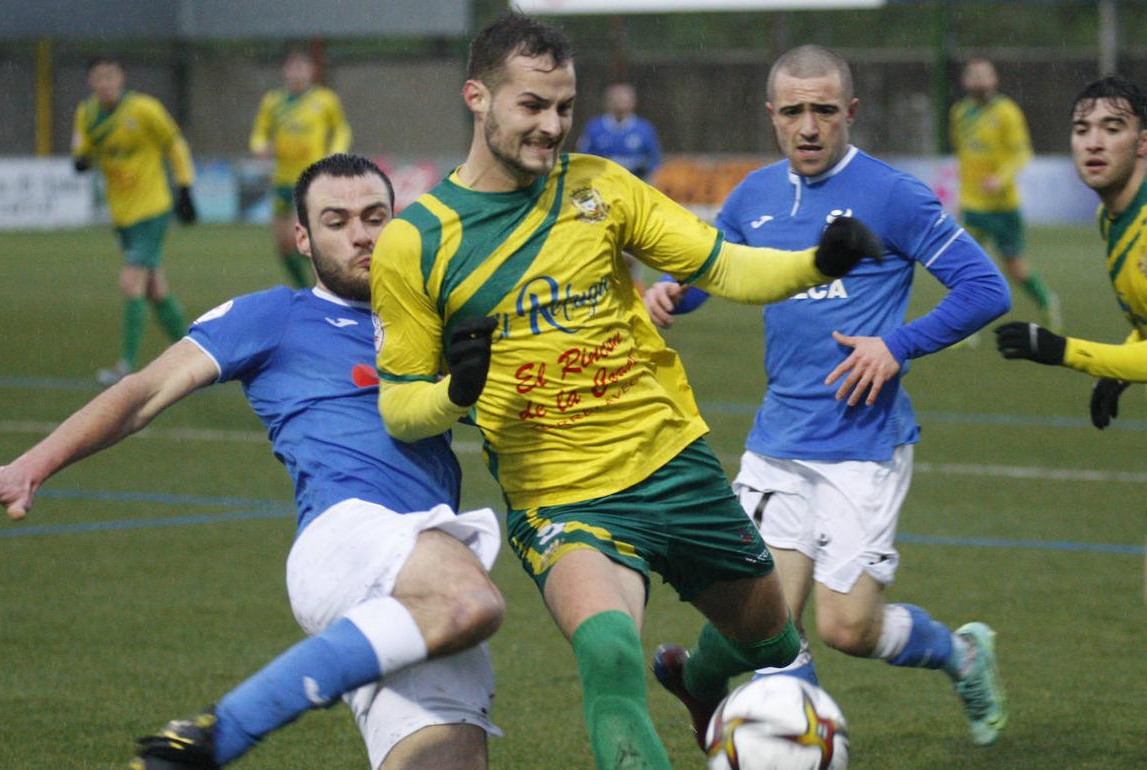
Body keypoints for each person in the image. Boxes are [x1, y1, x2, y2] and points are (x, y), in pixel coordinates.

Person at [369, 14, 880, 769]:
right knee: (607, 651)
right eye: (532, 106)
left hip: (672, 463)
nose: (552, 127)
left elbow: (722, 266)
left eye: (563, 108)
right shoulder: (417, 240)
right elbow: (400, 406)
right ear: (477, 98)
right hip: (561, 495)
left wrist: (817, 263)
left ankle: (699, 678)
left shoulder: (601, 189)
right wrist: (456, 391)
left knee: (768, 641)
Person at [0, 155, 505, 770]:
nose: (361, 235)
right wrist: (29, 467)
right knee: (472, 603)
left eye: (375, 217)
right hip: (351, 535)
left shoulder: (432, 321)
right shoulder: (275, 316)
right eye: (336, 221)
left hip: (423, 563)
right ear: (303, 239)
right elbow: (142, 393)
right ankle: (221, 731)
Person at [644, 45, 1011, 748]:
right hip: (779, 439)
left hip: (863, 444)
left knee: (848, 628)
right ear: (772, 117)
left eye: (822, 110)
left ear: (850, 112)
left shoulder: (894, 195)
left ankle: (963, 653)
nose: (808, 126)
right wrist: (673, 292)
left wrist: (895, 346)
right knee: (768, 625)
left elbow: (985, 289)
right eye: (793, 112)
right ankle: (762, 723)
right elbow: (715, 269)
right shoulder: (752, 195)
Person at [995, 74, 1147, 428]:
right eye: (1082, 130)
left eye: (1112, 129)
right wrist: (1118, 372)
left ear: (1142, 143)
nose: (1094, 143)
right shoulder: (1111, 218)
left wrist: (1066, 351)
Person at [72, 57, 199, 387]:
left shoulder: (144, 109)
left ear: (121, 78)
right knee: (155, 290)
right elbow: (82, 152)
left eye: (110, 77)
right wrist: (81, 159)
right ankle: (198, 356)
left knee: (132, 282)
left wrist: (185, 186)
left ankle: (126, 365)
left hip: (152, 209)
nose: (105, 84)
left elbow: (174, 143)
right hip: (123, 215)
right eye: (98, 79)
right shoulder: (86, 113)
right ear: (91, 83)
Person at [951, 58, 1060, 330]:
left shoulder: (1007, 112)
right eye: (973, 75)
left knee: (1014, 267)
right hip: (973, 205)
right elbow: (963, 156)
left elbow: (1022, 152)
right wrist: (960, 199)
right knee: (964, 268)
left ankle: (1047, 301)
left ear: (994, 79)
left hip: (1003, 206)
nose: (978, 80)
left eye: (983, 75)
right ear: (965, 82)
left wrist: (1000, 178)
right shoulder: (959, 112)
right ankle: (963, 329)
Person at [250, 49, 353, 288]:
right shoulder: (272, 102)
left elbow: (341, 129)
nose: (297, 73)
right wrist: (259, 146)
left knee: (301, 238)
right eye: (293, 68)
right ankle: (305, 288)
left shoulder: (324, 100)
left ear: (311, 71)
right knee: (283, 246)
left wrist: (336, 151)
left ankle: (328, 283)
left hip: (311, 179)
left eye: (302, 68)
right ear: (285, 71)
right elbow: (259, 132)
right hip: (281, 179)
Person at [576, 81, 663, 293]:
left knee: (631, 255)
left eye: (624, 98)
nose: (619, 102)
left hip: (632, 201)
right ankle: (598, 294)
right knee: (600, 251)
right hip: (601, 201)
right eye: (615, 98)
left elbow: (653, 164)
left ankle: (635, 299)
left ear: (633, 102)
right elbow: (583, 163)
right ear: (607, 101)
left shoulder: (644, 130)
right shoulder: (595, 129)